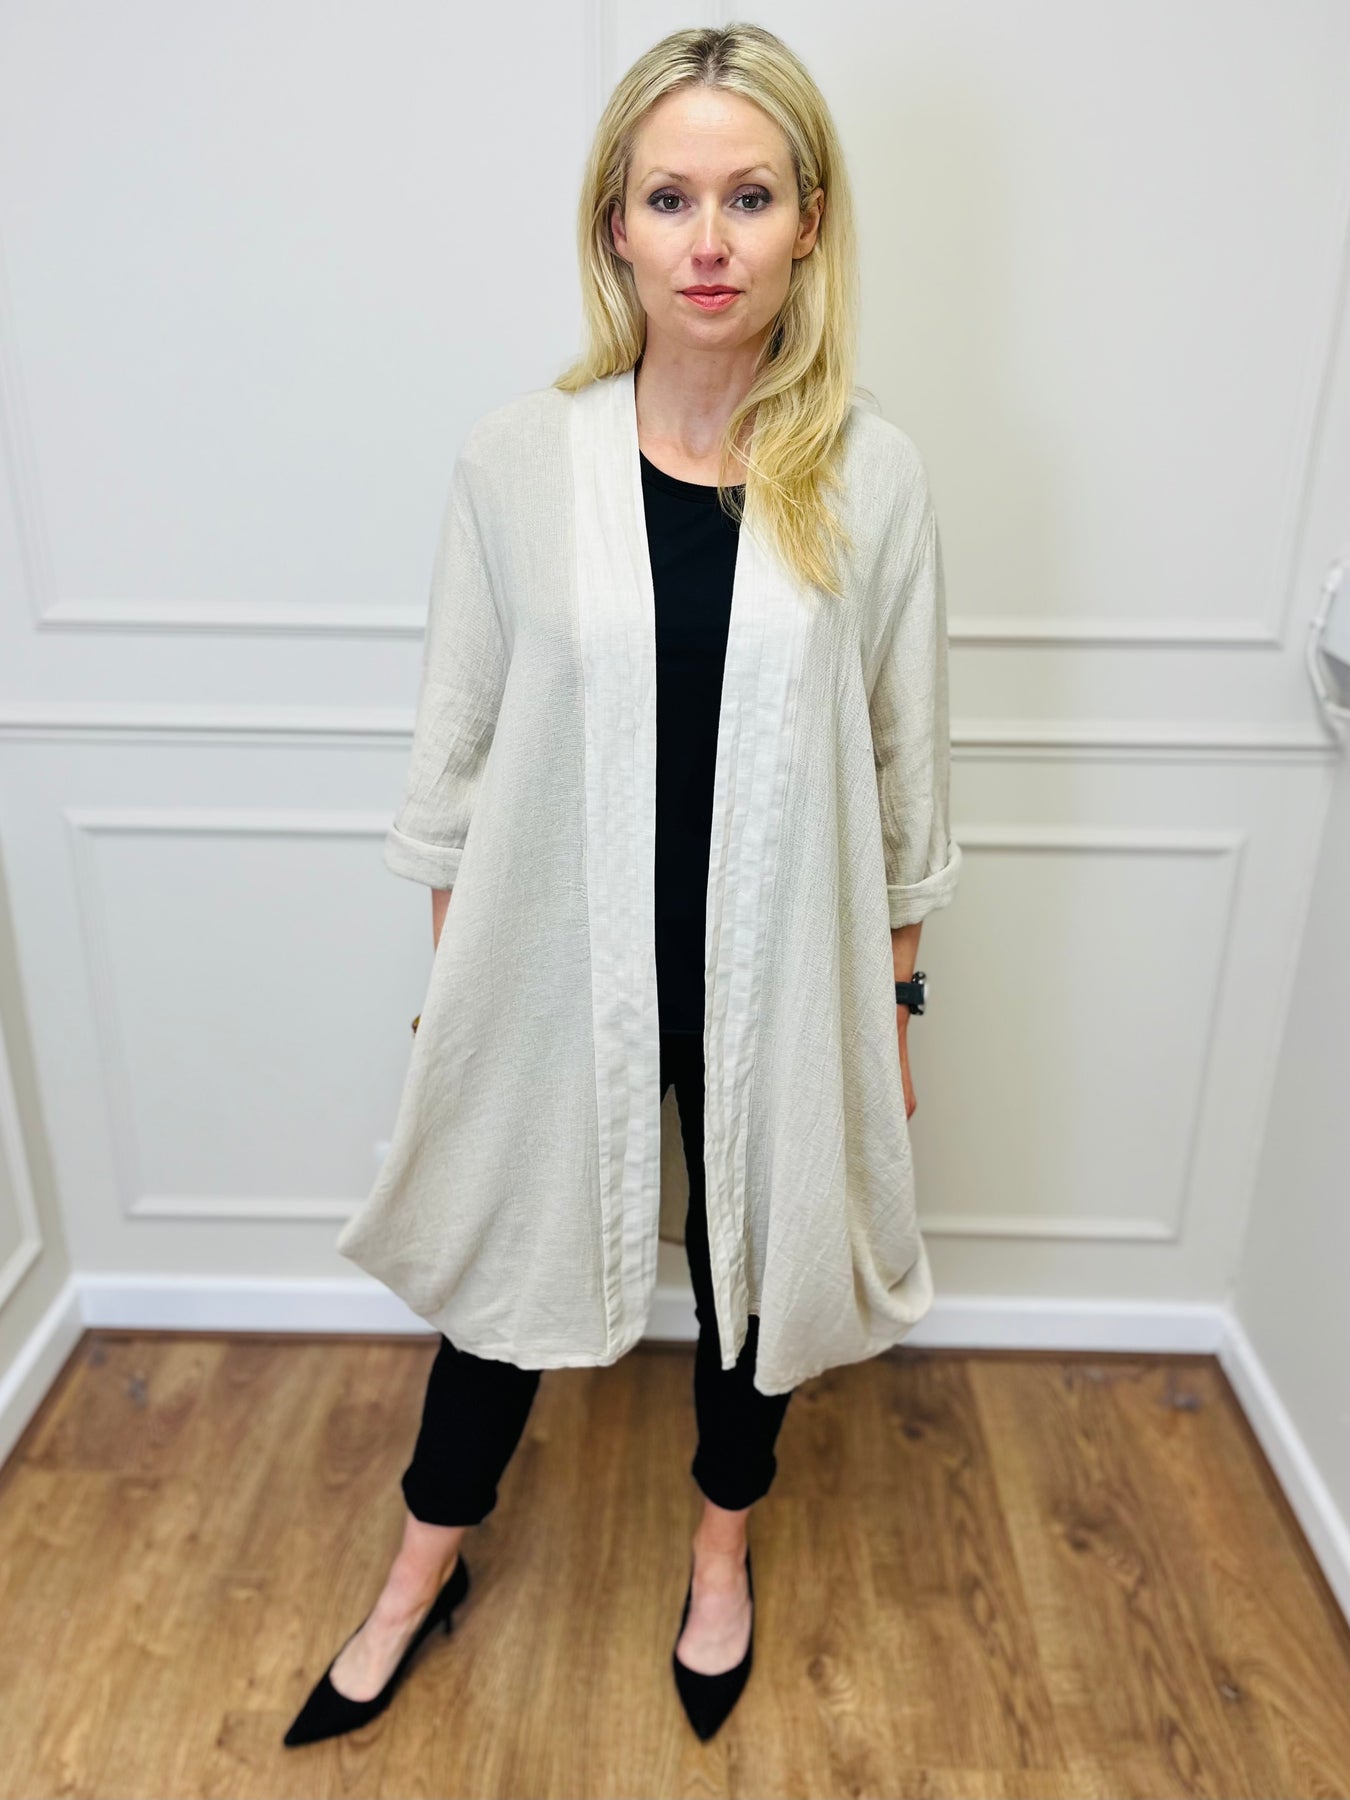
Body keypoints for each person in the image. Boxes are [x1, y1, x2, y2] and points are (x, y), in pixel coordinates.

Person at [285, 20, 960, 1750]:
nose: (708, 241)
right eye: (669, 199)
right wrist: (456, 998)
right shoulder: (520, 461)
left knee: (754, 1280)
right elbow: (454, 755)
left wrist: (892, 1005)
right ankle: (419, 1571)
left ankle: (719, 1557)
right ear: (614, 226)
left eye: (748, 196)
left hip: (778, 971)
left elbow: (904, 771)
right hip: (558, 959)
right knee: (504, 1279)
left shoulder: (869, 475)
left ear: (810, 219)